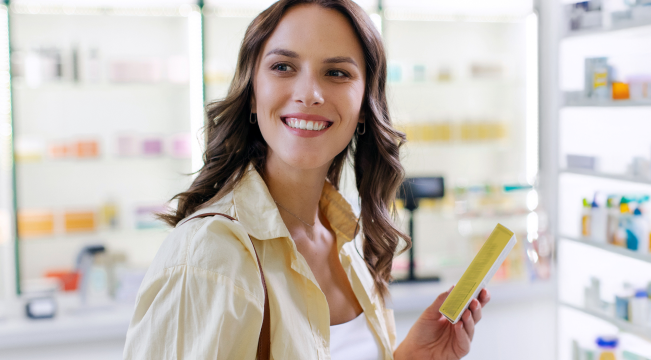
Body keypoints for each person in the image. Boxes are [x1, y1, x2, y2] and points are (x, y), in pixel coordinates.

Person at [123, 0, 490, 359]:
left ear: (364, 105)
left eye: (336, 73)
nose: (308, 94)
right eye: (283, 66)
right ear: (253, 94)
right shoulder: (210, 255)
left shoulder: (350, 243)